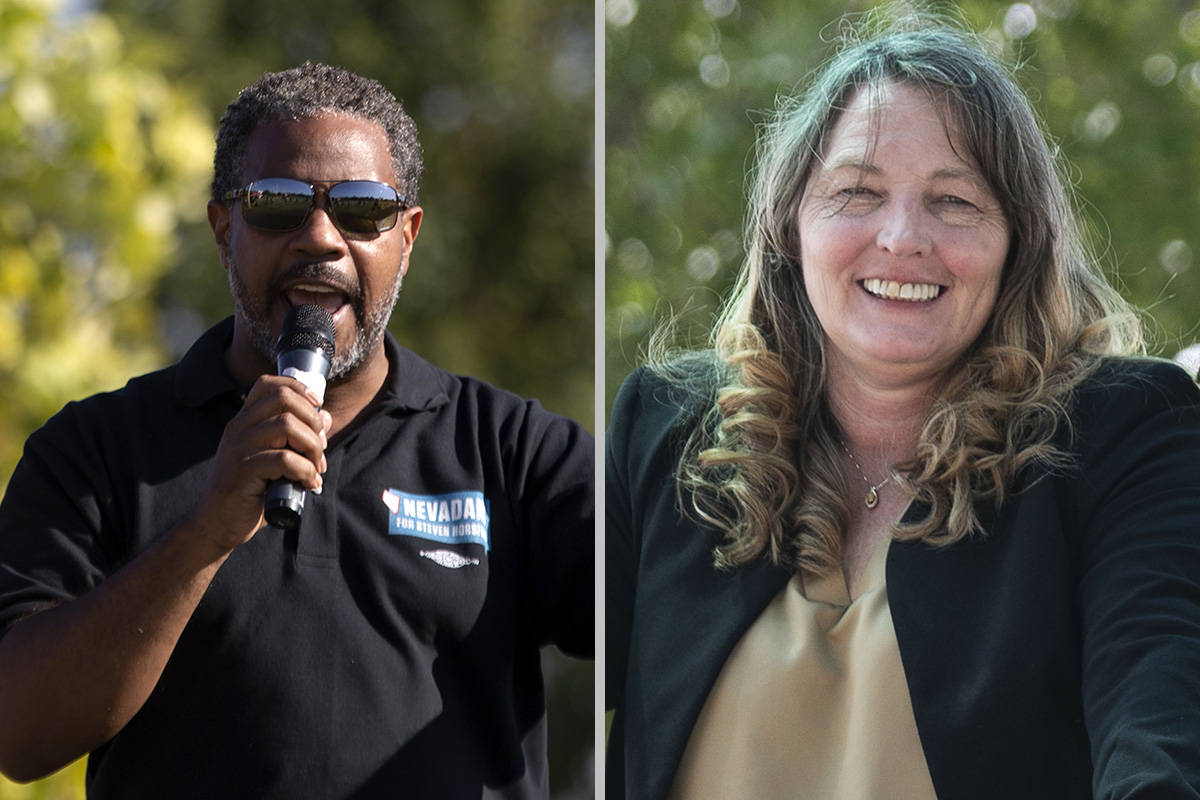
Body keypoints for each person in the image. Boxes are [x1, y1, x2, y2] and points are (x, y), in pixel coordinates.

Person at [606, 18, 1200, 800]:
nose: (902, 237)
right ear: (790, 225)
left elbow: (1157, 717)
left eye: (954, 201)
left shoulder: (1127, 435)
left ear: (1017, 240)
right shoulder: (665, 429)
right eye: (857, 191)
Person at [0, 62, 593, 798]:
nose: (320, 238)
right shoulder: (96, 450)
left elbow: (672, 616)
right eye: (279, 205)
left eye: (363, 210)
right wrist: (204, 534)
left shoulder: (514, 452)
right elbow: (19, 732)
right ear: (224, 230)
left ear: (406, 236)